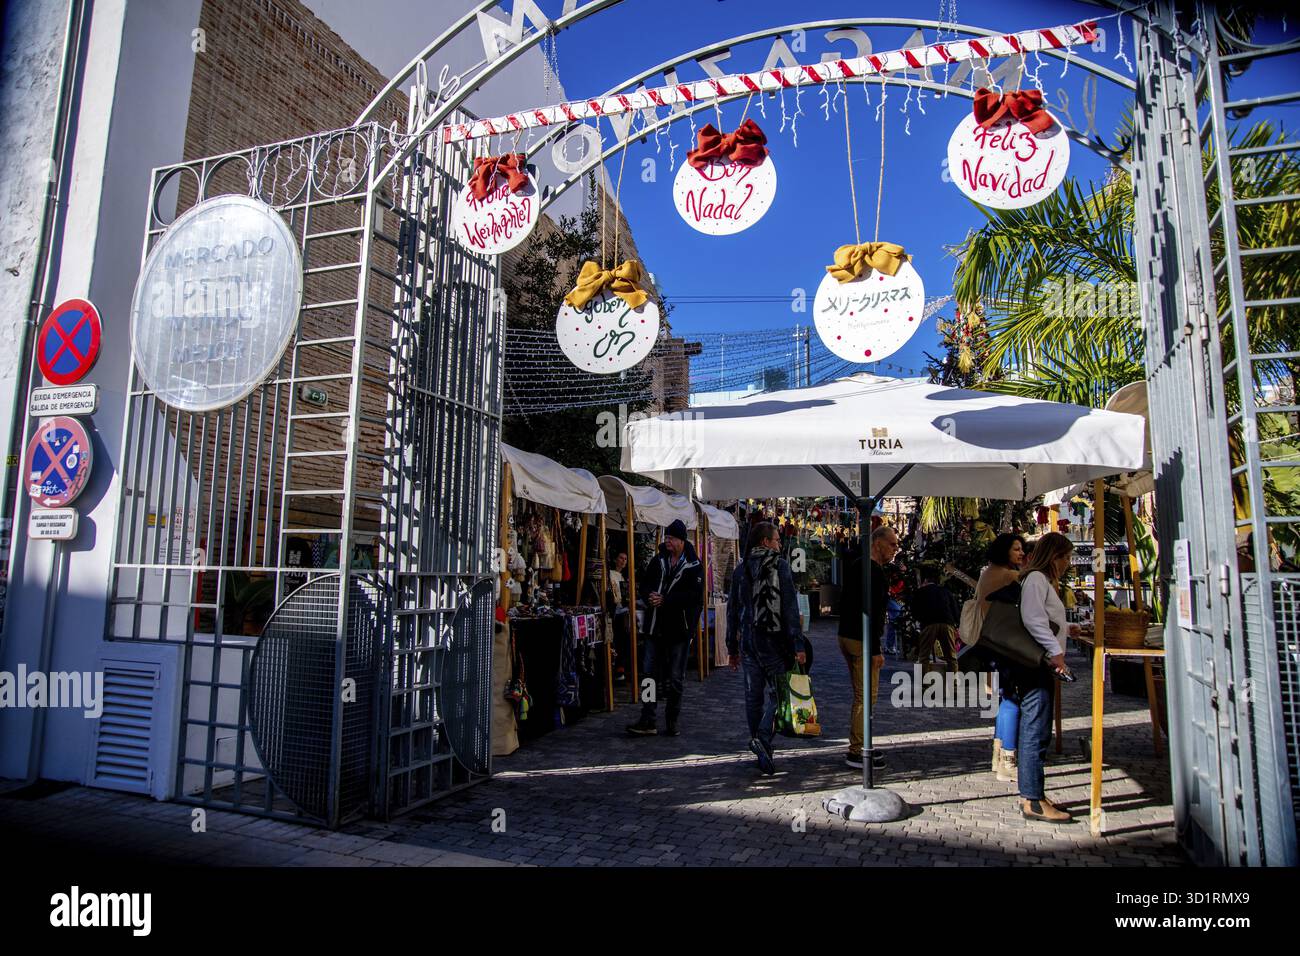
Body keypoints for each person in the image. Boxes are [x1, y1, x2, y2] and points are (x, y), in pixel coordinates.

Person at [727, 522, 808, 775]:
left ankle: (759, 743)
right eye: (776, 540)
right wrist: (798, 643)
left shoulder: (741, 570)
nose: (779, 544)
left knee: (753, 697)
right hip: (773, 641)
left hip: (749, 641)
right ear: (765, 542)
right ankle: (762, 738)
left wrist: (732, 647)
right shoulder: (779, 566)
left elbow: (733, 611)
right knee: (780, 693)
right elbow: (790, 609)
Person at [1013, 532, 1078, 823]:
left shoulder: (1038, 580)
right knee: (1035, 729)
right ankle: (1033, 799)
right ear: (1054, 557)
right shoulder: (1037, 579)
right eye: (1066, 557)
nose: (1068, 563)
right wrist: (1055, 651)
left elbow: (1044, 618)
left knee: (1037, 727)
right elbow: (1033, 618)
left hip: (1039, 660)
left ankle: (1034, 793)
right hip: (1036, 662)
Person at [626, 520, 703, 737]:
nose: (667, 541)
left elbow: (694, 598)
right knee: (649, 675)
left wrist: (666, 600)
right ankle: (648, 718)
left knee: (676, 677)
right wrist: (649, 596)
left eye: (671, 538)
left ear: (681, 540)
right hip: (654, 627)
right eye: (666, 537)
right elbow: (645, 584)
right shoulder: (658, 560)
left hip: (678, 630)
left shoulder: (694, 566)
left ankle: (672, 718)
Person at [838, 525, 898, 772]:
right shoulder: (873, 571)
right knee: (866, 696)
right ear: (877, 543)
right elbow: (871, 613)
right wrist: (875, 649)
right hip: (861, 638)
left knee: (862, 695)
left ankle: (862, 744)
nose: (895, 549)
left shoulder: (858, 565)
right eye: (892, 544)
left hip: (847, 634)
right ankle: (857, 750)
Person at [978, 533, 1026, 782]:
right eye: (1016, 549)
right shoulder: (1008, 575)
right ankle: (1007, 761)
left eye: (1022, 549)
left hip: (990, 642)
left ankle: (999, 757)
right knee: (1011, 699)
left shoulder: (987, 572)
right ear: (1003, 551)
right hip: (1005, 644)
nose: (1021, 553)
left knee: (1003, 698)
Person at [910, 565, 960, 669]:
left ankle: (924, 681)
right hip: (947, 622)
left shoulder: (920, 592)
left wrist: (920, 620)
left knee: (924, 655)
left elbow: (914, 610)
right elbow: (955, 609)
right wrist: (956, 623)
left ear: (925, 580)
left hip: (929, 623)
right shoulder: (946, 591)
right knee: (951, 655)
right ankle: (953, 681)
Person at [607, 550, 631, 682]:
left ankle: (621, 667)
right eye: (621, 558)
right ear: (616, 559)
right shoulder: (610, 574)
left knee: (624, 638)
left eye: (625, 559)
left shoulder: (623, 578)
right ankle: (617, 667)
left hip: (622, 610)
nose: (623, 561)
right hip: (614, 612)